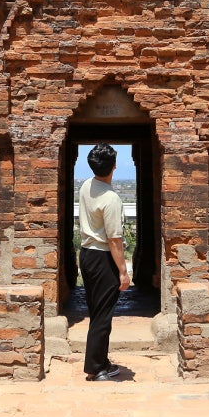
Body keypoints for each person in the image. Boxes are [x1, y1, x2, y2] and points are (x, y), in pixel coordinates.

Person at [78, 143, 131, 381]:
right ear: (114, 166)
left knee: (97, 310)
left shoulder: (87, 185)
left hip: (87, 254)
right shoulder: (111, 199)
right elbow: (114, 240)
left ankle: (100, 360)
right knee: (102, 316)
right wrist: (123, 271)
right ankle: (96, 367)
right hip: (102, 257)